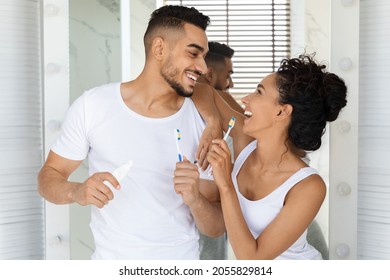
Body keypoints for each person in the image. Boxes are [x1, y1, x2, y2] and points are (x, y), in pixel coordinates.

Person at [37, 5, 225, 260]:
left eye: (204, 56)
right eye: (193, 53)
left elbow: (215, 228)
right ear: (159, 48)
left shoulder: (203, 123)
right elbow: (49, 178)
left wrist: (194, 199)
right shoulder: (93, 105)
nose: (203, 67)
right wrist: (76, 191)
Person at [204, 54, 347, 259]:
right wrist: (212, 122)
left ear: (282, 112)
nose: (246, 99)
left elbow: (252, 259)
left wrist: (225, 184)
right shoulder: (244, 141)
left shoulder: (308, 186)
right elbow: (203, 90)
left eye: (259, 92)